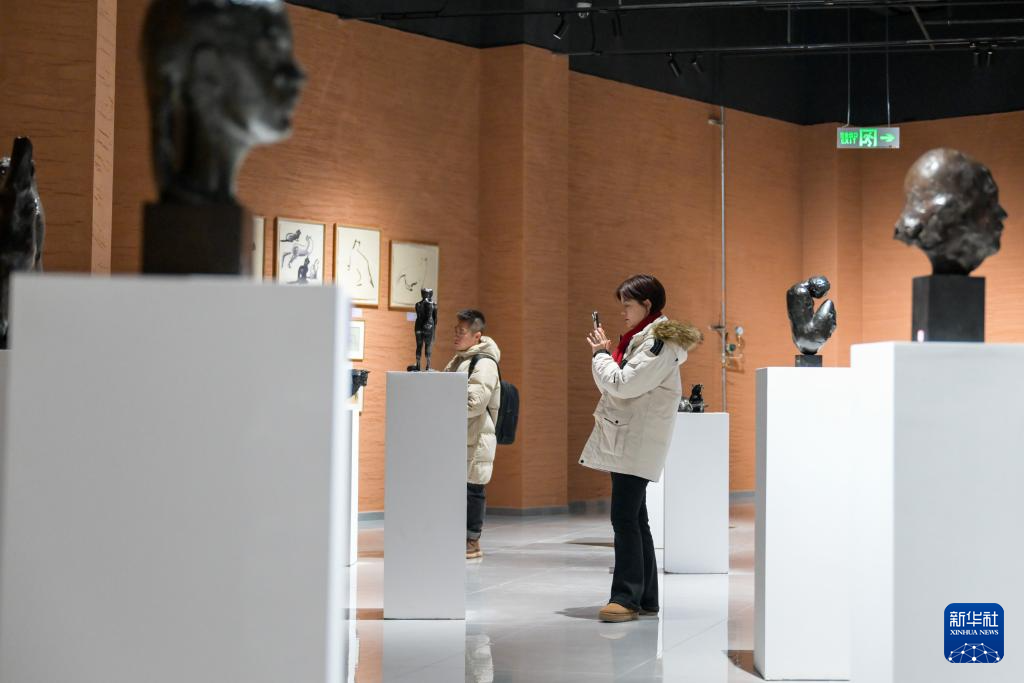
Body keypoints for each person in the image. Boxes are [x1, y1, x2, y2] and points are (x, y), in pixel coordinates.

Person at [580, 274, 702, 623]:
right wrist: (606, 356)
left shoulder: (657, 343)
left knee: (624, 518)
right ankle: (646, 596)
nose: (623, 313)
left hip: (636, 439)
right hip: (631, 436)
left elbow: (622, 384)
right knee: (635, 517)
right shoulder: (645, 340)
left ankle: (626, 597)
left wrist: (600, 355)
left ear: (647, 305)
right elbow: (621, 385)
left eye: (628, 305)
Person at [443, 309, 502, 560]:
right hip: (461, 435)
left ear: (477, 335)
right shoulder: (461, 359)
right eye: (456, 330)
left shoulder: (484, 363)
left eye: (462, 331)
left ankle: (472, 541)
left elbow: (475, 402)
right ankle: (458, 537)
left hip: (477, 438)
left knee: (473, 488)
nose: (457, 335)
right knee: (460, 489)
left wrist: (443, 406)